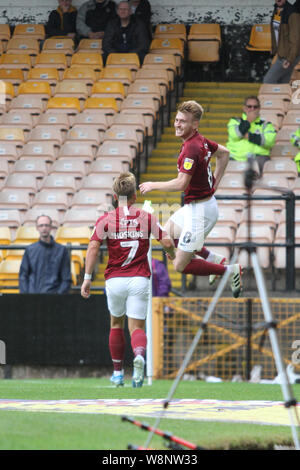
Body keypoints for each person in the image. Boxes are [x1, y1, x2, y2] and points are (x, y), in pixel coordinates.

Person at [139, 100, 243, 299]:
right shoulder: (199, 140)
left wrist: (153, 184)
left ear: (194, 125)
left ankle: (229, 270)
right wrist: (216, 184)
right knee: (165, 235)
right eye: (177, 120)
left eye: (183, 121)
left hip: (201, 213)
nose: (177, 124)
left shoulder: (192, 148)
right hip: (196, 206)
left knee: (180, 265)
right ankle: (213, 259)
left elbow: (181, 184)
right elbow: (225, 153)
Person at [81, 172, 175, 387]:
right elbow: (166, 240)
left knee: (116, 323)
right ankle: (139, 356)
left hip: (115, 280)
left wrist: (87, 278)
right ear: (134, 196)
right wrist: (170, 252)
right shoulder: (147, 217)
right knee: (137, 328)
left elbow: (93, 246)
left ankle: (117, 374)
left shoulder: (106, 219)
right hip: (140, 279)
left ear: (115, 196)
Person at [19, 215, 71, 294]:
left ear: (51, 227)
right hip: (33, 298)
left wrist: (58, 297)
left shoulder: (61, 251)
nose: (44, 228)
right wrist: (26, 297)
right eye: (41, 225)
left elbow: (66, 278)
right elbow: (23, 276)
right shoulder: (30, 250)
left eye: (46, 225)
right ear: (37, 228)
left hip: (54, 300)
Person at [226, 95, 277, 173]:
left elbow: (269, 142)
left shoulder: (266, 125)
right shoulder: (235, 121)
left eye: (255, 107)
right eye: (249, 106)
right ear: (244, 108)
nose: (252, 109)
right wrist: (249, 120)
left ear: (259, 109)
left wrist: (248, 136)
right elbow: (236, 135)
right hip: (236, 158)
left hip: (258, 158)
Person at [263, 0, 300, 84]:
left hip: (288, 55)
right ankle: (283, 96)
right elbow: (276, 32)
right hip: (284, 53)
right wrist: (274, 47)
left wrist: (290, 59)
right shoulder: (277, 9)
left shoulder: (293, 13)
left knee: (268, 81)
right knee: (283, 83)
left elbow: (296, 39)